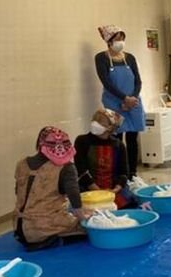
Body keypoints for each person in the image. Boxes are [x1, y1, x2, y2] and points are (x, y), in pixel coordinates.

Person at [13, 127, 92, 251]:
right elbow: (74, 197)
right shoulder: (66, 168)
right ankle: (52, 240)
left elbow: (18, 193)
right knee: (90, 225)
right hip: (45, 227)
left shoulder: (21, 164)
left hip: (19, 227)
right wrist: (85, 220)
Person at [95, 25, 145, 178]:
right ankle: (119, 174)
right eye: (117, 39)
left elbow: (138, 81)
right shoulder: (101, 58)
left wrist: (132, 98)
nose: (121, 42)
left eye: (122, 39)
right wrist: (124, 99)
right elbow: (106, 83)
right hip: (114, 102)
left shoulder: (129, 58)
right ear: (108, 41)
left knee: (132, 138)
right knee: (116, 138)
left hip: (133, 103)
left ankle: (133, 174)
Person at [75, 108, 134, 208]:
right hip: (89, 188)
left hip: (112, 188)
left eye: (100, 122)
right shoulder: (82, 141)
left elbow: (124, 172)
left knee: (128, 204)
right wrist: (97, 190)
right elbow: (81, 169)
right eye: (94, 120)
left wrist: (115, 189)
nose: (95, 123)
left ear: (111, 127)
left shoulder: (118, 145)